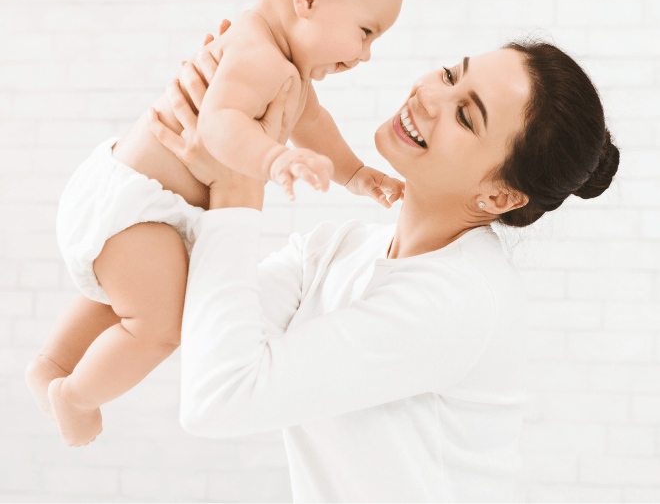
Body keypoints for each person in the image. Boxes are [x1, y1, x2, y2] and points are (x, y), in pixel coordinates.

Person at [148, 39, 620, 503]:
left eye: (464, 116)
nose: (429, 95)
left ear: (499, 197)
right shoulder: (337, 250)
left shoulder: (459, 299)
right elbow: (198, 325)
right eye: (452, 74)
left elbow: (218, 400)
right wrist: (214, 131)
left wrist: (238, 175)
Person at [24, 0, 405, 447]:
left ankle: (50, 364)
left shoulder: (277, 59)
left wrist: (356, 174)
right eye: (365, 32)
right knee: (160, 326)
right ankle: (76, 394)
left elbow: (312, 123)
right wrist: (273, 160)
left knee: (127, 296)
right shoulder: (258, 55)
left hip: (131, 201)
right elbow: (219, 126)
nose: (365, 55)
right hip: (138, 209)